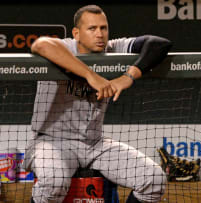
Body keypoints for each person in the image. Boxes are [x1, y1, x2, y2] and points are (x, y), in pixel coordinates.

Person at [23, 5, 172, 203]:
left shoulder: (113, 48)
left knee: (154, 179)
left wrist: (129, 76)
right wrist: (90, 76)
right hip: (51, 141)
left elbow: (159, 44)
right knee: (54, 182)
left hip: (95, 143)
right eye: (92, 29)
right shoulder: (66, 47)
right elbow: (40, 44)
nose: (100, 34)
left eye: (103, 28)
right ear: (76, 33)